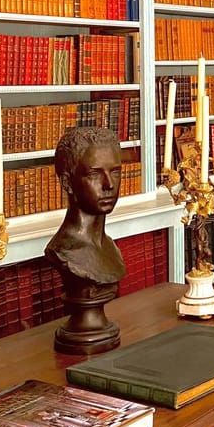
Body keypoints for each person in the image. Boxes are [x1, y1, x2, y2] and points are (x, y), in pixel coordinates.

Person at [44, 126, 126, 298]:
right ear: (67, 183)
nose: (109, 185)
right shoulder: (63, 251)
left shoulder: (110, 247)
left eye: (115, 172)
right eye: (94, 174)